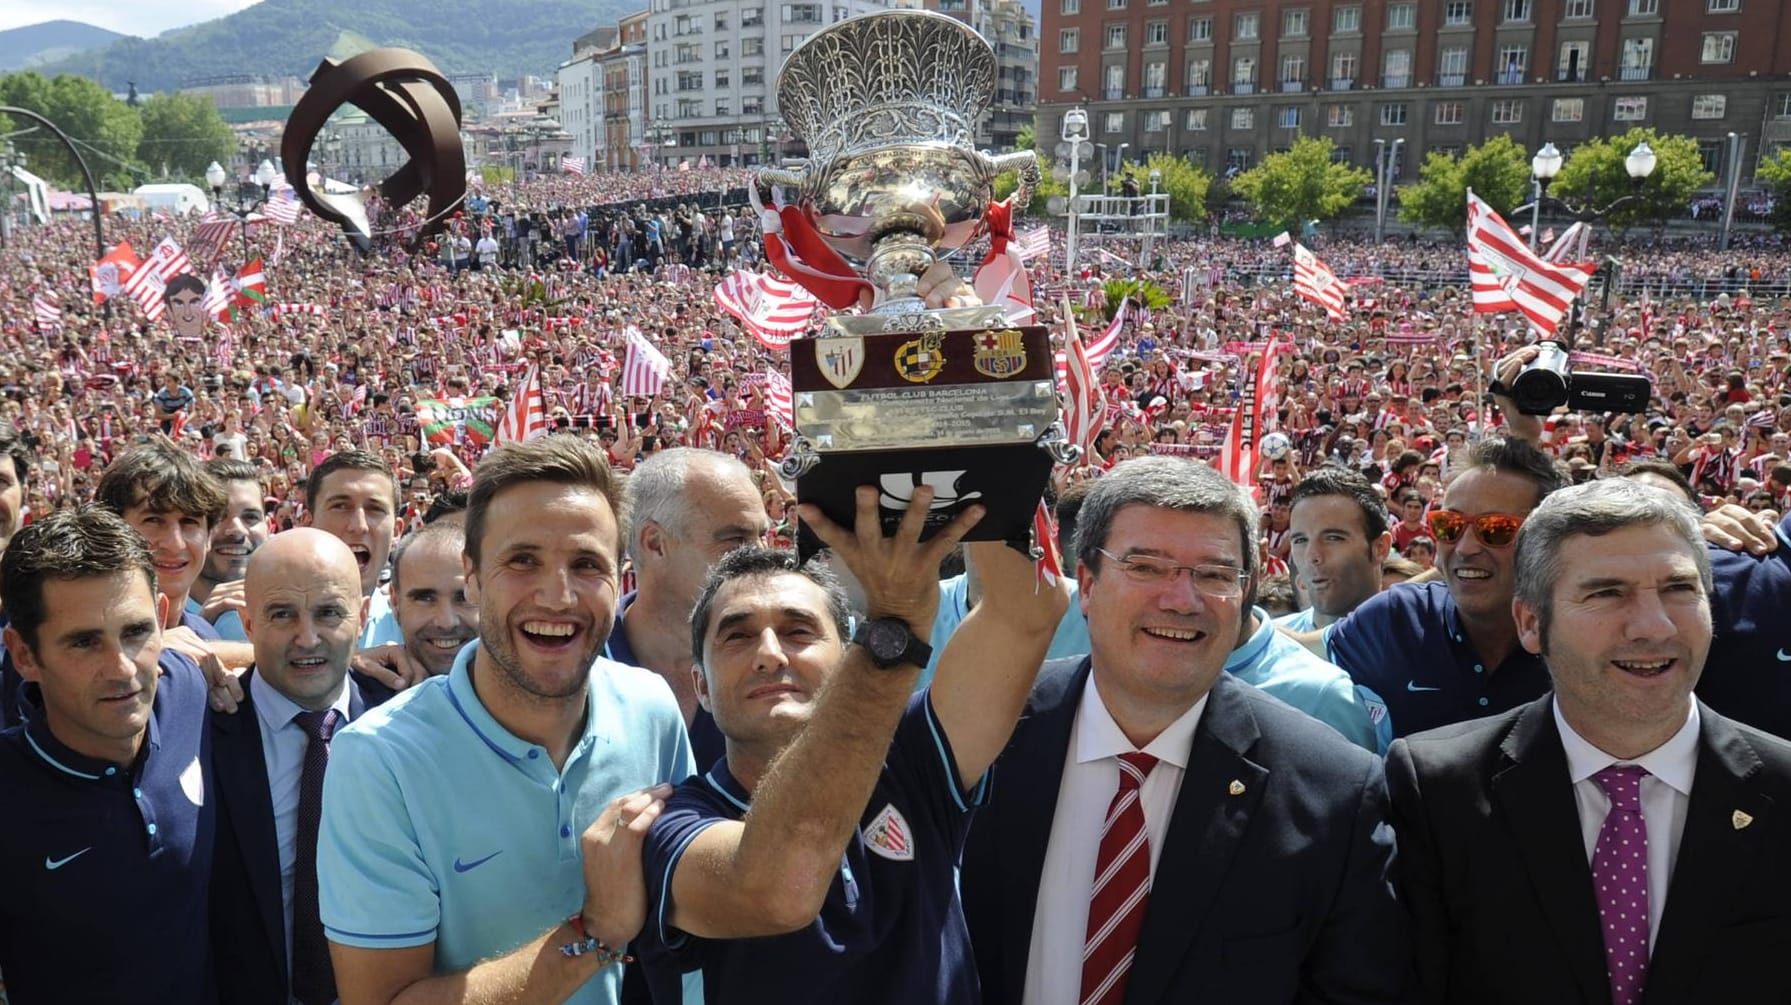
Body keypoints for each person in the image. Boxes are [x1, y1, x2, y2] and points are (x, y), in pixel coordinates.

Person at [960, 457, 1411, 1004]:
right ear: (1087, 584)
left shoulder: (1335, 791)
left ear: (1245, 595)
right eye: (1146, 567)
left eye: (1216, 574)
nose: (1181, 599)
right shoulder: (981, 735)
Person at [632, 486, 1067, 1002]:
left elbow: (1025, 613)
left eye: (798, 631)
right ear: (700, 685)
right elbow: (778, 888)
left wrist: (975, 459)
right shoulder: (667, 826)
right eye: (738, 636)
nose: (770, 655)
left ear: (845, 658)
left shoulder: (912, 756)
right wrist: (896, 631)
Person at [319, 436, 692, 1005]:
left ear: (622, 579)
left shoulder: (652, 708)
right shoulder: (377, 760)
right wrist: (594, 934)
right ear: (472, 576)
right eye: (523, 561)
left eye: (586, 564)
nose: (557, 595)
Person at [1387, 479, 1791, 1003]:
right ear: (1531, 623)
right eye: (1606, 593)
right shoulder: (1439, 789)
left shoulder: (1783, 791)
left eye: (1678, 589)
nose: (1654, 625)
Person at [0, 508, 217, 1003]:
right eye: (83, 643)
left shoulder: (187, 691)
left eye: (136, 631)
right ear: (24, 655)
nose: (121, 668)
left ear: (163, 620)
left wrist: (354, 659)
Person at [1302, 436, 1567, 738]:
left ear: (1547, 540)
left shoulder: (1581, 636)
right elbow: (1289, 653)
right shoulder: (1400, 617)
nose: (1465, 547)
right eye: (1449, 525)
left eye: (1495, 529)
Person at [211, 529, 377, 1005]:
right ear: (247, 624)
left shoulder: (406, 723)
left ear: (363, 617)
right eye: (283, 614)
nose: (307, 638)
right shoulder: (198, 726)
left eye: (328, 612)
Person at [609, 447, 770, 770]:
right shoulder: (575, 662)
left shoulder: (782, 658)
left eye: (762, 536)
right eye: (735, 540)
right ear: (654, 543)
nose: (761, 556)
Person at [1276, 467, 1393, 632]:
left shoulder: (1426, 645)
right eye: (1301, 540)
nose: (1313, 556)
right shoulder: (1267, 645)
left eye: (1333, 538)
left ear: (1381, 548)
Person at [192, 457, 272, 639]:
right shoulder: (155, 617)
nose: (236, 530)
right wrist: (198, 627)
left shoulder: (296, 610)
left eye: (251, 517)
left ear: (269, 528)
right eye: (219, 515)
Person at [389, 522, 479, 679]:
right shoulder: (355, 698)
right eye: (425, 598)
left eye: (464, 597)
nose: (447, 622)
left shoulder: (532, 694)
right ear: (395, 602)